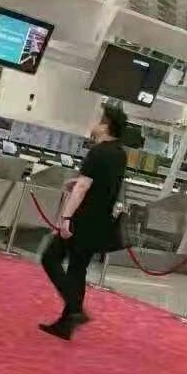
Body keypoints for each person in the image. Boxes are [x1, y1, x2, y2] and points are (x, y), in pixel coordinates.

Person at [39, 104, 127, 341]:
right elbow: (103, 183)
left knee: (50, 258)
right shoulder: (119, 154)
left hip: (82, 219)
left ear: (106, 125)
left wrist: (66, 218)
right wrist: (78, 182)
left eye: (98, 119)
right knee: (78, 268)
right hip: (100, 221)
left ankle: (76, 309)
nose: (93, 123)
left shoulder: (97, 152)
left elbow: (83, 188)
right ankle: (66, 324)